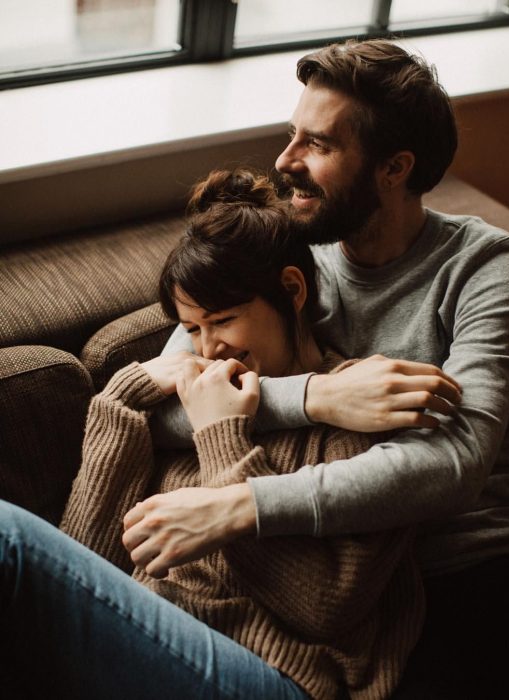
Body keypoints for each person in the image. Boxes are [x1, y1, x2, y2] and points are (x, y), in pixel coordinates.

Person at [150, 39, 509, 699]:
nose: (285, 161)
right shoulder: (280, 248)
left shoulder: (485, 267)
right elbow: (171, 395)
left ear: (394, 167)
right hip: (365, 587)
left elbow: (457, 464)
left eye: (318, 145)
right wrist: (318, 398)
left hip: (493, 564)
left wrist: (242, 504)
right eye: (293, 135)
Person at [0, 167, 455, 699]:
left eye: (224, 320)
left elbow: (325, 607)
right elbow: (85, 574)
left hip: (279, 676)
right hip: (149, 654)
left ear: (291, 289)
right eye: (192, 330)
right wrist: (124, 396)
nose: (209, 349)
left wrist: (222, 437)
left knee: (8, 538)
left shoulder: (359, 409)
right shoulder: (183, 405)